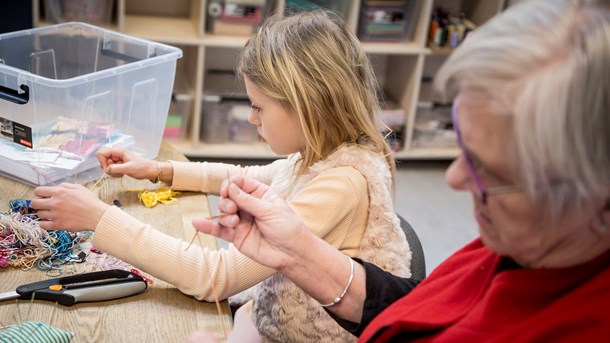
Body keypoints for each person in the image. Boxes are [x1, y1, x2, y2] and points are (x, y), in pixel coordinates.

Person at [190, 0, 610, 341]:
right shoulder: (520, 246)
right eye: (462, 143)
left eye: (491, 171)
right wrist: (299, 251)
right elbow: (412, 306)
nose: (454, 179)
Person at [30, 11, 413, 342]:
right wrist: (159, 170)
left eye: (258, 107)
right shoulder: (321, 155)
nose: (250, 118)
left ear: (308, 107)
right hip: (272, 314)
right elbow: (245, 175)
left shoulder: (339, 184)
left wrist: (100, 219)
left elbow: (215, 277)